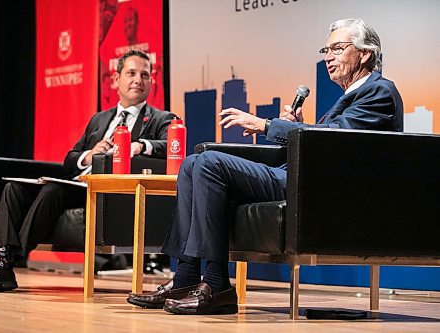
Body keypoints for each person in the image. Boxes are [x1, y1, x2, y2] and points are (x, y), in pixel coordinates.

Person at [127, 18, 403, 315]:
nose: (328, 57)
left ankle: (217, 284)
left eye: (337, 48)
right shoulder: (355, 94)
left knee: (208, 163)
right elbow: (333, 139)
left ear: (364, 53)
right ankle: (185, 278)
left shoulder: (379, 91)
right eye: (326, 49)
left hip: (319, 187)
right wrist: (297, 128)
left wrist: (266, 125)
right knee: (193, 163)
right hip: (302, 177)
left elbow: (338, 141)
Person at [0, 50, 176, 292]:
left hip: (107, 192)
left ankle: (2, 263)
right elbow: (69, 160)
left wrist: (140, 145)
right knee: (14, 188)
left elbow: (171, 145)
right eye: (131, 73)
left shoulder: (160, 119)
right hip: (76, 182)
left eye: (145, 75)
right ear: (116, 79)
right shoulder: (99, 120)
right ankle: (0, 265)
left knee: (52, 191)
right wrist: (88, 155)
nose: (138, 80)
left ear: (151, 83)